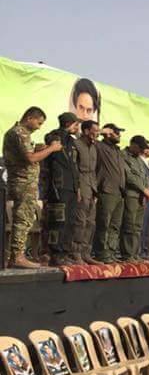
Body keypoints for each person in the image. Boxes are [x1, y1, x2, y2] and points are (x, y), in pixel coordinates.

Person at [3, 107, 61, 268]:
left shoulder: (19, 133)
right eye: (39, 122)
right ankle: (17, 257)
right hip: (23, 183)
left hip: (23, 183)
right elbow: (30, 158)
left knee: (24, 219)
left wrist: (38, 150)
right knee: (22, 220)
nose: (39, 127)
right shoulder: (20, 132)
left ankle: (15, 256)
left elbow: (26, 156)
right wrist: (51, 149)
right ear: (30, 118)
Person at [42, 112, 81, 266]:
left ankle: (65, 252)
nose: (77, 127)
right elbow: (53, 143)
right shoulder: (54, 136)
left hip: (71, 186)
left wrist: (77, 187)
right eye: (75, 124)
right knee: (58, 222)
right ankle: (55, 253)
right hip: (59, 187)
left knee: (71, 222)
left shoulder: (71, 141)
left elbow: (73, 166)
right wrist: (64, 132)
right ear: (68, 124)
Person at [93, 123, 126, 263]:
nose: (119, 135)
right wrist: (101, 131)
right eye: (117, 132)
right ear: (108, 133)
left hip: (119, 191)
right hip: (106, 190)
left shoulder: (118, 150)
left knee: (115, 225)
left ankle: (110, 253)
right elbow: (87, 137)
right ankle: (101, 253)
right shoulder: (100, 146)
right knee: (103, 223)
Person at [119, 135, 149, 262]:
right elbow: (129, 176)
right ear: (133, 144)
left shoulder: (139, 159)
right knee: (129, 225)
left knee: (138, 227)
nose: (142, 151)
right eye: (140, 147)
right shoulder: (123, 155)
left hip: (141, 197)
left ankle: (135, 254)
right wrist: (143, 189)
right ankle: (127, 255)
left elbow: (145, 177)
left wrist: (147, 191)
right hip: (131, 195)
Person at [71, 120, 100, 265]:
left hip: (92, 187)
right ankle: (75, 253)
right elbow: (74, 168)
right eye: (95, 130)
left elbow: (94, 170)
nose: (97, 133)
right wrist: (76, 187)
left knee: (90, 222)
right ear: (87, 131)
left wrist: (96, 191)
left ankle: (86, 253)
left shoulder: (94, 147)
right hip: (81, 185)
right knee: (80, 221)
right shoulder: (76, 144)